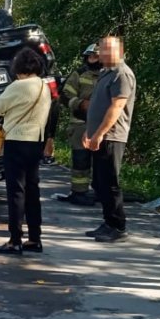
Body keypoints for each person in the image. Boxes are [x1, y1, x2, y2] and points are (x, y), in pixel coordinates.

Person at [0, 48, 52, 255]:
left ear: (18, 68)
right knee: (33, 191)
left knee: (16, 192)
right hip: (36, 142)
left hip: (16, 141)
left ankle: (15, 240)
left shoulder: (17, 86)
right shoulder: (44, 86)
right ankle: (35, 238)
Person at [83, 36, 136, 243]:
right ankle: (107, 222)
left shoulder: (121, 74)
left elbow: (116, 107)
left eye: (106, 50)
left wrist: (99, 133)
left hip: (112, 136)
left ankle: (118, 225)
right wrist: (90, 132)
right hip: (99, 135)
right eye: (100, 50)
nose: (101, 54)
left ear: (119, 51)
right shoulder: (106, 73)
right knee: (99, 182)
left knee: (110, 182)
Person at [58, 43, 103, 206]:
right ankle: (79, 192)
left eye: (96, 56)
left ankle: (100, 192)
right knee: (81, 160)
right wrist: (80, 103)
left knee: (101, 161)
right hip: (80, 123)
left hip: (103, 125)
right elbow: (64, 95)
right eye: (90, 56)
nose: (92, 60)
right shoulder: (79, 74)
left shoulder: (109, 74)